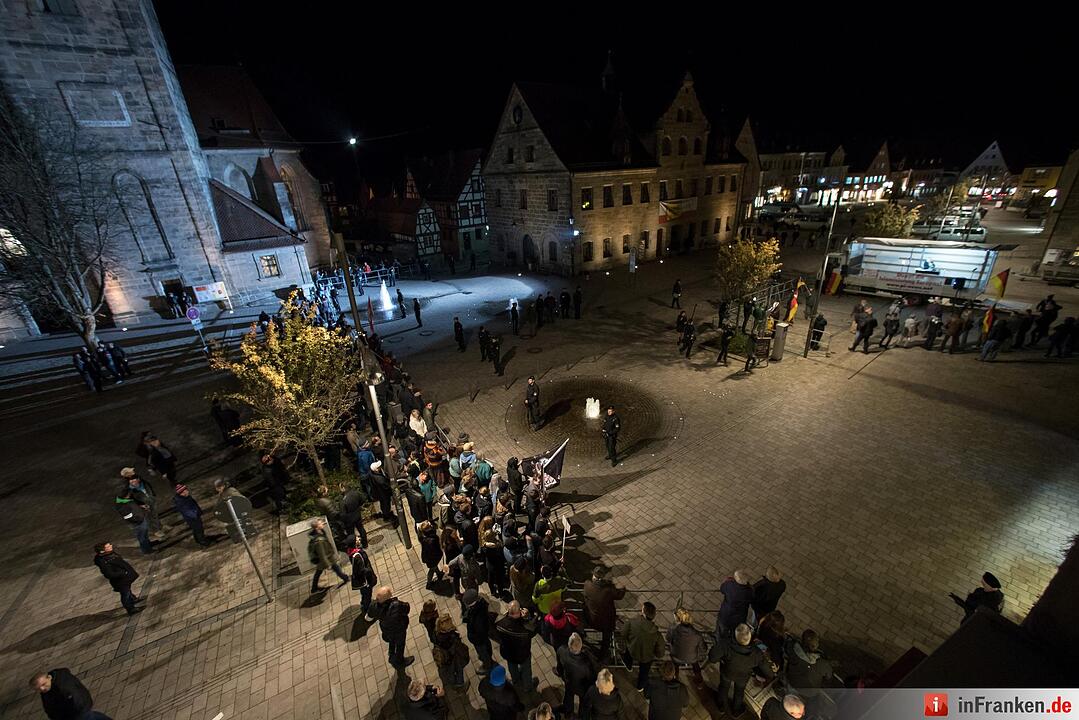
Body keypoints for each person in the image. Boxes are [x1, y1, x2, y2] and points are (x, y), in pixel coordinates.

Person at [711, 622, 775, 716]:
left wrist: (721, 659)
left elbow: (712, 658)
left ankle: (720, 706)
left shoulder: (726, 644)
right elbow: (766, 669)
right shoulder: (756, 653)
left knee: (723, 687)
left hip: (727, 672)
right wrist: (771, 675)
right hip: (743, 677)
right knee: (739, 692)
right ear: (749, 637)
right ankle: (736, 710)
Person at [785, 629, 835, 717]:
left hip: (792, 682)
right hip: (809, 692)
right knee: (813, 704)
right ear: (814, 646)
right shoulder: (822, 663)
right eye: (817, 642)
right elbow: (829, 678)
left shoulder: (793, 648)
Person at [30, 669, 112, 720]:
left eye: (43, 684)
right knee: (93, 716)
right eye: (38, 688)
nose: (42, 689)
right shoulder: (51, 685)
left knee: (90, 717)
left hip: (78, 713)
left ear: (49, 678)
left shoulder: (63, 689)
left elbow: (76, 702)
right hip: (80, 710)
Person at [620, 601, 665, 692]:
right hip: (647, 657)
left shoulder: (631, 622)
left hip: (632, 649)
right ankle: (640, 686)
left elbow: (623, 633)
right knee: (644, 672)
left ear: (643, 612)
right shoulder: (657, 634)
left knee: (628, 655)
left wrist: (629, 641)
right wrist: (656, 654)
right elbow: (660, 650)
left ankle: (629, 666)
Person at [583, 565, 626, 661]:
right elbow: (619, 595)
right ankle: (603, 654)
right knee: (607, 636)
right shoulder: (608, 589)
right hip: (605, 623)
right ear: (602, 578)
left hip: (590, 618)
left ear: (594, 576)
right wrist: (623, 589)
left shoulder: (587, 584)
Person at [496, 601, 539, 692]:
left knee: (512, 666)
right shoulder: (523, 630)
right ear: (519, 612)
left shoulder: (500, 623)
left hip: (508, 653)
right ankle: (528, 686)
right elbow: (533, 631)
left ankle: (515, 680)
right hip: (522, 654)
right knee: (526, 670)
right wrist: (527, 618)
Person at [369, 585, 413, 667]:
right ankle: (400, 661)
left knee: (391, 640)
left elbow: (369, 616)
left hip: (386, 629)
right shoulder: (396, 605)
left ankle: (391, 652)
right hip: (399, 630)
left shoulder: (373, 606)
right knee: (400, 645)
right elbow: (407, 608)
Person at [93, 542, 142, 615]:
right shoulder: (104, 561)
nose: (111, 546)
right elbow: (109, 574)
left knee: (128, 589)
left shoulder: (109, 554)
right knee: (125, 594)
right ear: (102, 551)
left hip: (124, 578)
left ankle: (133, 599)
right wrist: (123, 573)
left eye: (110, 545)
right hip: (120, 580)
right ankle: (131, 609)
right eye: (108, 546)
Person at [557, 633, 597, 720]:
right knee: (583, 703)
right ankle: (582, 717)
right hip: (583, 688)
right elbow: (592, 677)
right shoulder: (586, 663)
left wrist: (562, 675)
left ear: (569, 645)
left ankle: (568, 712)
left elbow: (559, 667)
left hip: (569, 682)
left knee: (568, 696)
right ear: (581, 646)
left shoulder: (561, 650)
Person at [668, 607, 708, 685]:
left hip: (676, 656)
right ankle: (699, 681)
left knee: (675, 665)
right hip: (692, 658)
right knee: (696, 666)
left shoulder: (673, 630)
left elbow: (668, 639)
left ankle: (675, 677)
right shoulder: (697, 635)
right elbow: (704, 649)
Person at [308, 519, 349, 594]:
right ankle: (345, 578)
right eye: (320, 523)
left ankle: (314, 588)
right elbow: (322, 554)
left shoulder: (320, 533)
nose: (322, 523)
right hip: (326, 559)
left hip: (327, 557)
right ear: (317, 527)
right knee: (335, 568)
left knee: (319, 572)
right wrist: (328, 564)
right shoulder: (319, 541)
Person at [432, 613, 470, 690]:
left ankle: (453, 682)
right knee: (459, 669)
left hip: (445, 658)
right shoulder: (451, 637)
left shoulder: (436, 632)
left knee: (450, 671)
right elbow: (457, 647)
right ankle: (460, 685)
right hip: (454, 656)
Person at [462, 588, 496, 673]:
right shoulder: (479, 606)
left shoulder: (477, 616)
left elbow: (480, 632)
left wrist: (474, 638)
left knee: (484, 653)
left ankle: (487, 666)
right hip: (483, 638)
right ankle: (487, 658)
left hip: (479, 640)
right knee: (486, 648)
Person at [716, 570, 754, 639]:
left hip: (726, 615)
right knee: (735, 631)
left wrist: (727, 581)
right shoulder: (750, 590)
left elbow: (722, 589)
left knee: (721, 629)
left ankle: (719, 640)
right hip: (740, 617)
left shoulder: (730, 586)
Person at [347, 534, 377, 616]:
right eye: (357, 538)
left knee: (364, 593)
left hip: (361, 580)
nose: (358, 539)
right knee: (367, 594)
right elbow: (362, 570)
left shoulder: (352, 552)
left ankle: (363, 603)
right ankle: (367, 610)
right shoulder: (357, 556)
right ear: (354, 543)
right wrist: (369, 572)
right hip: (365, 580)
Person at [369, 461, 398, 527]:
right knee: (386, 504)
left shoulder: (371, 474)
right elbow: (386, 486)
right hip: (383, 494)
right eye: (379, 467)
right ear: (376, 470)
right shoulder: (379, 479)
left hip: (379, 493)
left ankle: (386, 514)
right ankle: (387, 515)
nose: (380, 467)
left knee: (383, 504)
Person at [418, 521, 444, 588]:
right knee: (432, 569)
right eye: (430, 525)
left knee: (434, 567)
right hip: (431, 558)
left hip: (429, 557)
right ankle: (429, 583)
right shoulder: (431, 540)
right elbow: (434, 550)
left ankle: (439, 574)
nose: (431, 526)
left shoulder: (424, 537)